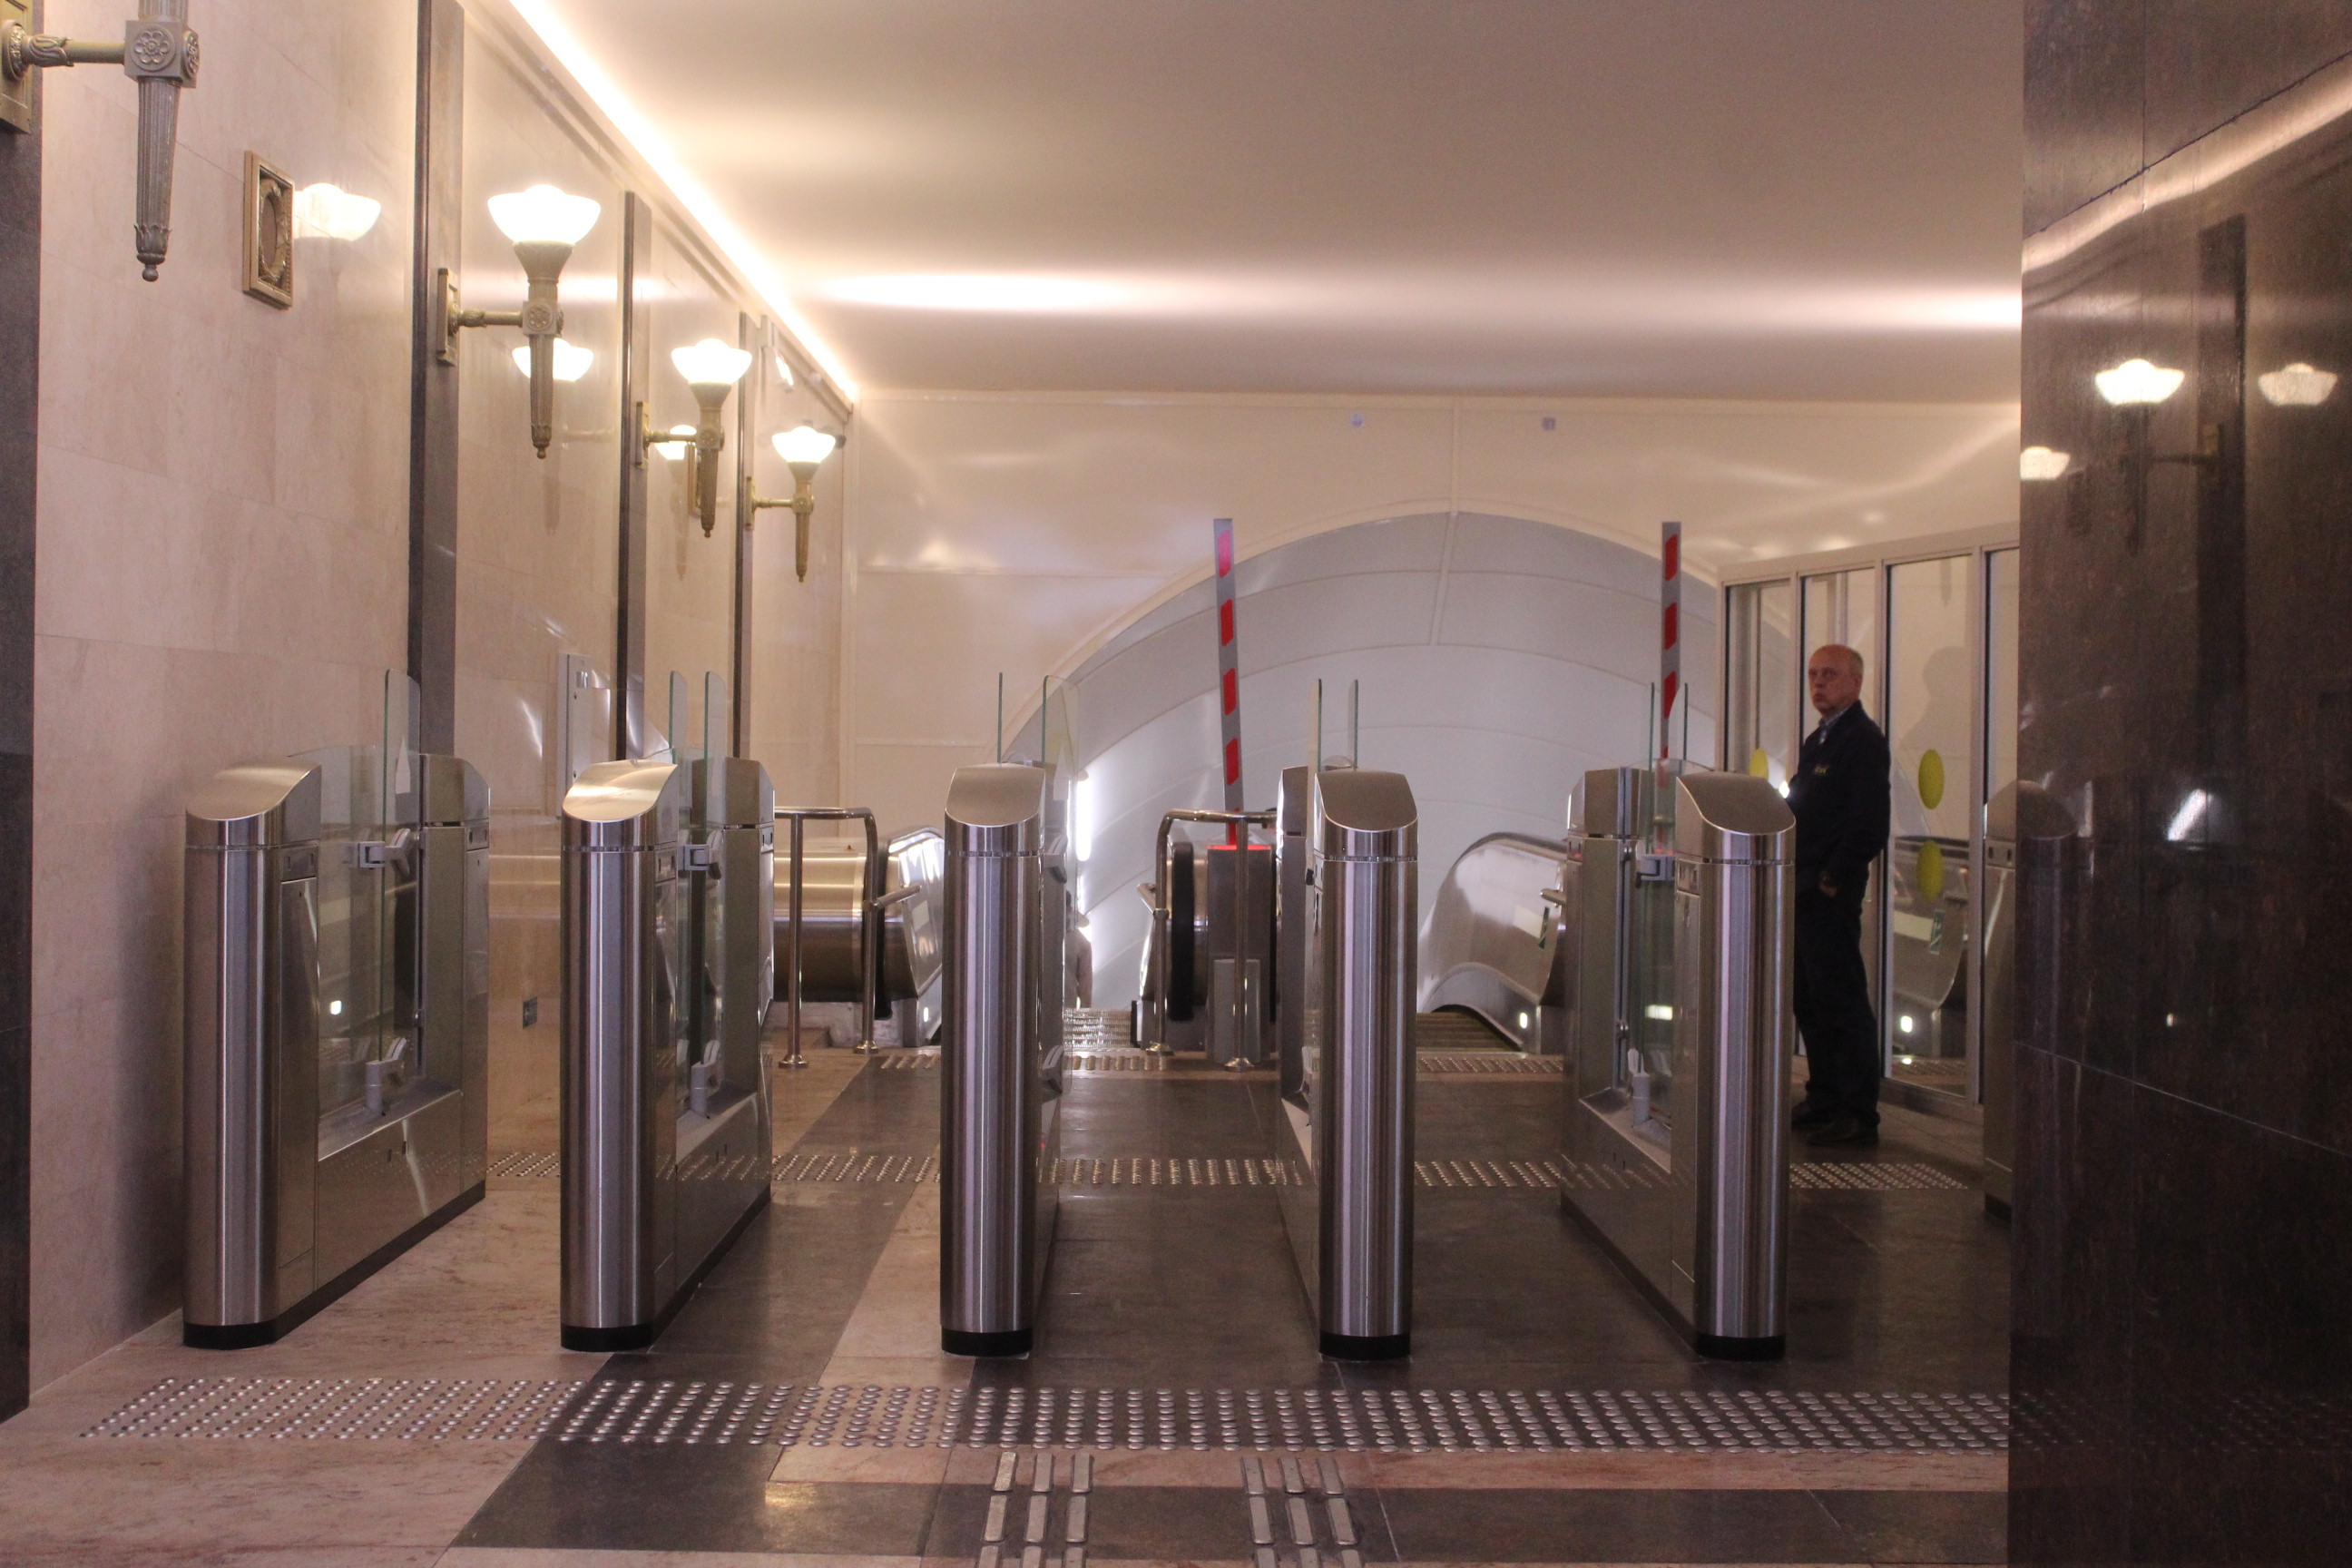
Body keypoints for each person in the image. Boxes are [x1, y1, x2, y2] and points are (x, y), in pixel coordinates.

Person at [1787, 643, 1890, 1148]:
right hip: (1801, 886)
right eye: (1813, 675)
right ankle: (1824, 1094)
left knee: (1841, 998)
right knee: (1808, 997)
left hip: (1828, 892)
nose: (1818, 684)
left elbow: (1868, 822)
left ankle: (1857, 1109)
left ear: (1855, 681)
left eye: (1829, 675)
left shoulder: (1861, 741)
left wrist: (1833, 878)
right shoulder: (1818, 740)